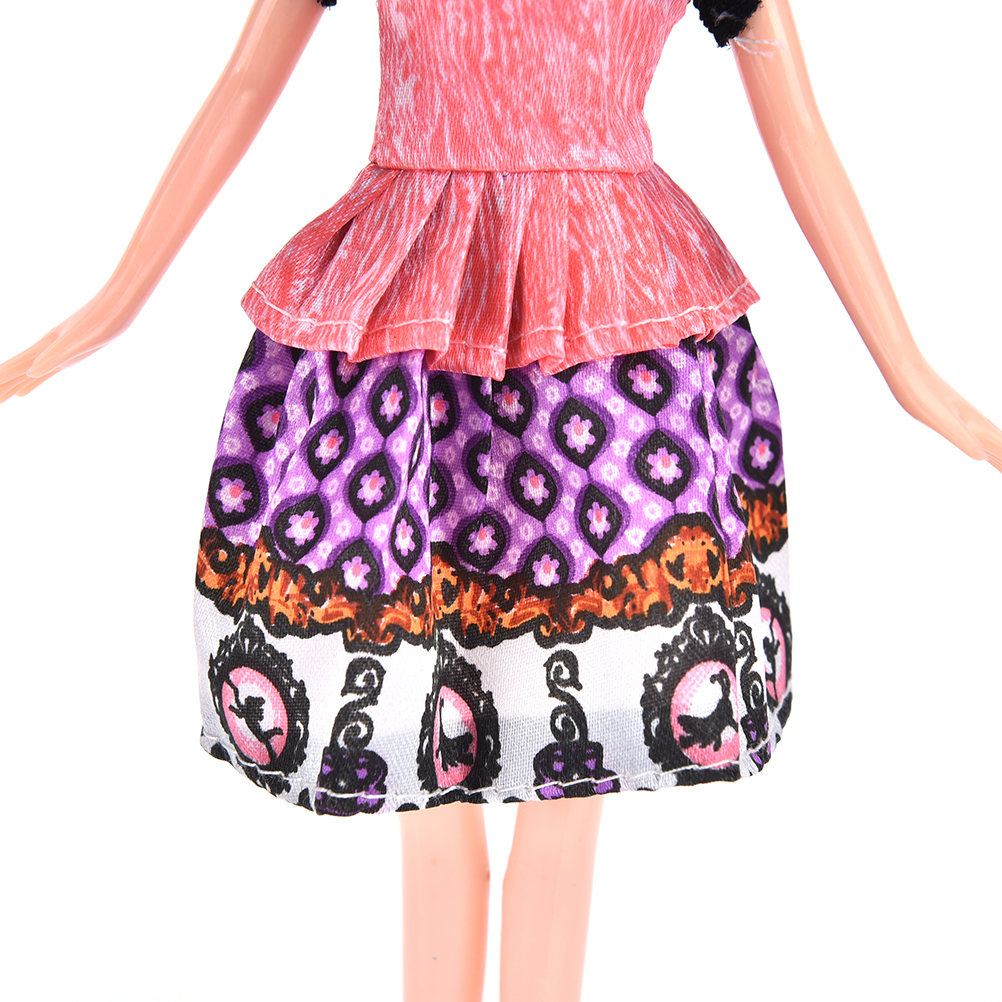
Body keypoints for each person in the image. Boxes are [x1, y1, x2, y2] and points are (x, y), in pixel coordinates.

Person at [1, 3, 998, 1001]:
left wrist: (914, 375)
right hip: (414, 335)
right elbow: (244, 84)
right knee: (424, 765)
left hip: (597, 346)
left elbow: (802, 133)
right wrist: (104, 310)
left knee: (570, 765)